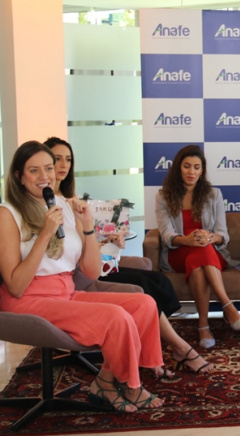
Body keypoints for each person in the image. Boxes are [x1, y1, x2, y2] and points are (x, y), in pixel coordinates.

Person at [0, 140, 164, 412]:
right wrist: (45, 234)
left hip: (65, 292)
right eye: (34, 170)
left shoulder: (63, 205)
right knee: (115, 317)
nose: (45, 176)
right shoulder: (8, 213)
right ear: (18, 176)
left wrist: (87, 225)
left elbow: (91, 272)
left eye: (48, 168)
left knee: (144, 304)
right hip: (27, 299)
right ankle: (131, 386)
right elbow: (15, 286)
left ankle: (106, 381)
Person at [45, 137, 214, 374]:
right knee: (143, 287)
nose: (63, 165)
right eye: (57, 159)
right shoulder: (47, 206)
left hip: (90, 265)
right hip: (76, 275)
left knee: (157, 280)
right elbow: (61, 249)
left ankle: (156, 348)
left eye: (68, 159)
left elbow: (84, 244)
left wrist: (109, 242)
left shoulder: (72, 201)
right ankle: (179, 349)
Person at [155, 144, 240, 349]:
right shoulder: (163, 196)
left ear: (202, 170)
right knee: (199, 251)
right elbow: (166, 234)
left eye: (196, 167)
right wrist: (186, 240)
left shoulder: (214, 194)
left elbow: (223, 234)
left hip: (209, 251)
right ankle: (228, 306)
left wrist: (210, 237)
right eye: (187, 166)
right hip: (178, 251)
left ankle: (203, 326)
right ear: (178, 168)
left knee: (199, 259)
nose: (191, 172)